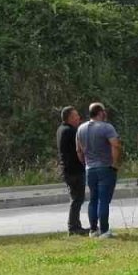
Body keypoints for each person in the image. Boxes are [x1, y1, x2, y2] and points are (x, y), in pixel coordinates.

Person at [76, 102, 121, 238]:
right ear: (100, 112)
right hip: (105, 167)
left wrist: (85, 163)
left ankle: (93, 230)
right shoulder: (107, 127)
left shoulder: (80, 129)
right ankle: (105, 230)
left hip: (90, 168)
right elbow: (115, 145)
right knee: (104, 200)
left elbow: (78, 150)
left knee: (93, 199)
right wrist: (114, 163)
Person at [56, 106, 88, 235]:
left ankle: (75, 225)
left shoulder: (61, 129)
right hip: (73, 170)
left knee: (76, 198)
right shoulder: (70, 131)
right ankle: (73, 227)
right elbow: (80, 148)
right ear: (69, 117)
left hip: (68, 169)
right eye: (76, 116)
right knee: (77, 199)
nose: (78, 118)